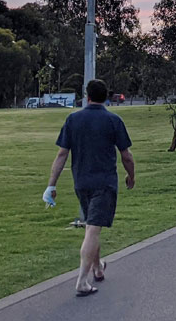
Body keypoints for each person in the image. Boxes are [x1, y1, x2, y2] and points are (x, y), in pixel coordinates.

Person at [42, 79, 135, 297]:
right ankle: (82, 282)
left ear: (87, 96)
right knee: (93, 228)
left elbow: (62, 154)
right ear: (106, 97)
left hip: (81, 182)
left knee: (91, 226)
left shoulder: (73, 119)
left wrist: (51, 185)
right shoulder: (113, 120)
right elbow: (126, 155)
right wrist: (131, 176)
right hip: (104, 183)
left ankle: (97, 268)